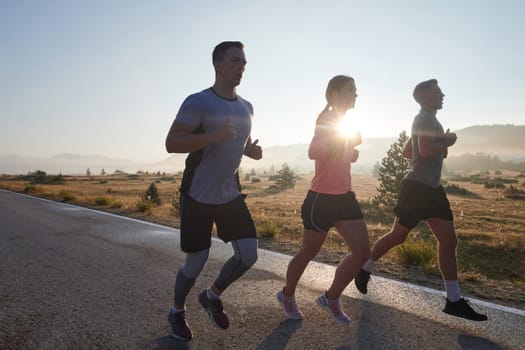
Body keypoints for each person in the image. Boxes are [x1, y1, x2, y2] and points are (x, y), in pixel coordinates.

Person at [354, 79, 487, 321]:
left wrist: (436, 145)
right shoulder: (425, 119)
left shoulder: (426, 120)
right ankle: (364, 269)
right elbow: (424, 152)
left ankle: (454, 300)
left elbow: (408, 151)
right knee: (398, 236)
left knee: (449, 241)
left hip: (432, 189)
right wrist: (445, 143)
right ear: (425, 97)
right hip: (417, 189)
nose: (443, 94)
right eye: (438, 92)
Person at [165, 41, 263, 341]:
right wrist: (213, 136)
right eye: (235, 61)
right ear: (218, 65)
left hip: (229, 194)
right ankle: (176, 311)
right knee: (196, 261)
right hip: (198, 194)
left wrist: (248, 151)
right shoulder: (199, 102)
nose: (241, 67)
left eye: (244, 62)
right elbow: (172, 143)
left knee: (248, 256)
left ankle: (211, 295)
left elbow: (233, 143)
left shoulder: (247, 107)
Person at [276, 75, 370, 325]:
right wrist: (345, 142)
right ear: (337, 92)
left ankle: (331, 298)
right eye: (352, 90)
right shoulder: (327, 118)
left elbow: (337, 153)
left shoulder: (344, 121)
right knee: (309, 252)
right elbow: (313, 151)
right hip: (322, 199)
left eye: (356, 90)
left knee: (362, 253)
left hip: (344, 197)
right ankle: (287, 295)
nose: (356, 94)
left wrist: (350, 153)